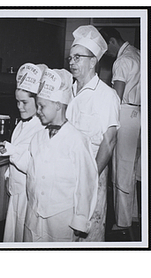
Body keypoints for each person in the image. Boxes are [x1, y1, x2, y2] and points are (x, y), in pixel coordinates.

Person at [10, 67, 98, 242]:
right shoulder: (38, 137)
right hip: (33, 216)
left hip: (61, 220)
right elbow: (30, 167)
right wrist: (11, 152)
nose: (39, 110)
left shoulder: (76, 140)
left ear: (58, 105)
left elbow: (86, 183)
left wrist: (80, 220)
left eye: (42, 106)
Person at [66, 25, 121, 241]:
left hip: (93, 173)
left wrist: (89, 177)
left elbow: (109, 142)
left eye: (77, 57)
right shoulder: (68, 91)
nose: (71, 63)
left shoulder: (106, 96)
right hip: (66, 173)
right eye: (70, 58)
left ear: (92, 61)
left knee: (88, 234)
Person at [0, 63, 45, 242]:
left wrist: (12, 151)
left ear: (39, 101)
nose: (20, 107)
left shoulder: (41, 127)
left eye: (24, 102)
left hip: (28, 195)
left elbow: (34, 165)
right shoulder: (21, 124)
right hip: (16, 192)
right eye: (17, 101)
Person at [99, 27, 141, 229]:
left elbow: (116, 96)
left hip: (125, 114)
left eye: (105, 46)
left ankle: (123, 223)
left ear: (112, 41)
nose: (105, 52)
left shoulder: (122, 61)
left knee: (122, 170)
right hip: (139, 113)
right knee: (132, 169)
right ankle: (132, 216)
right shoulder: (138, 54)